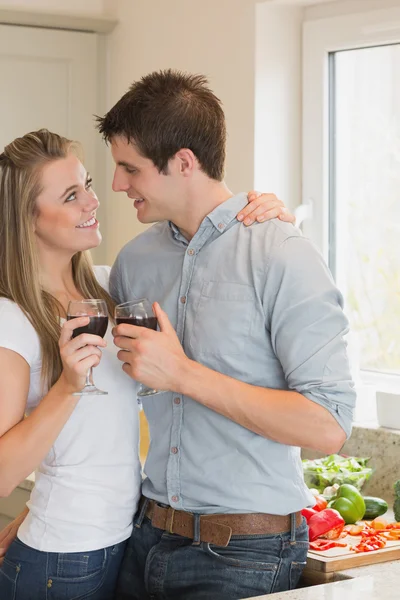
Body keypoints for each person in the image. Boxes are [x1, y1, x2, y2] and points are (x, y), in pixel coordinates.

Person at [96, 69, 357, 600]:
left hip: (245, 554)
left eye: (131, 168)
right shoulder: (134, 262)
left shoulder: (281, 253)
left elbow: (328, 425)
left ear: (184, 162)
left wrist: (184, 374)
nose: (118, 184)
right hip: (143, 536)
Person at [0, 128, 290, 599]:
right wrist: (67, 387)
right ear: (25, 217)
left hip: (128, 542)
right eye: (71, 196)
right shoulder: (11, 318)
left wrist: (268, 222)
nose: (93, 201)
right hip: (60, 560)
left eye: (88, 184)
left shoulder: (109, 287)